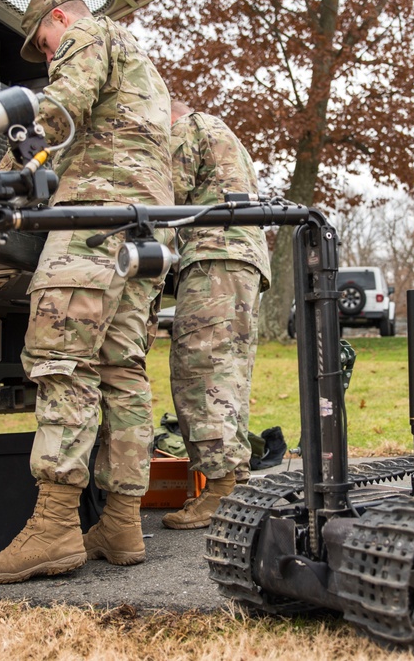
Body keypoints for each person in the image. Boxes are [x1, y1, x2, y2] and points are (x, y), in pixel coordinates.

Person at [0, 0, 172, 584]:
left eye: (43, 42)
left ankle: (54, 529)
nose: (46, 53)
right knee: (122, 371)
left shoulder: (90, 33)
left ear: (59, 18)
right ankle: (121, 521)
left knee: (62, 363)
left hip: (92, 221)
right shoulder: (145, 68)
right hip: (143, 229)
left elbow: (57, 109)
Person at [162, 101, 271, 530]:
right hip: (240, 259)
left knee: (200, 369)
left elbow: (161, 195)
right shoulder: (222, 133)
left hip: (214, 258)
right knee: (228, 371)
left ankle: (222, 488)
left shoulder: (185, 129)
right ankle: (232, 483)